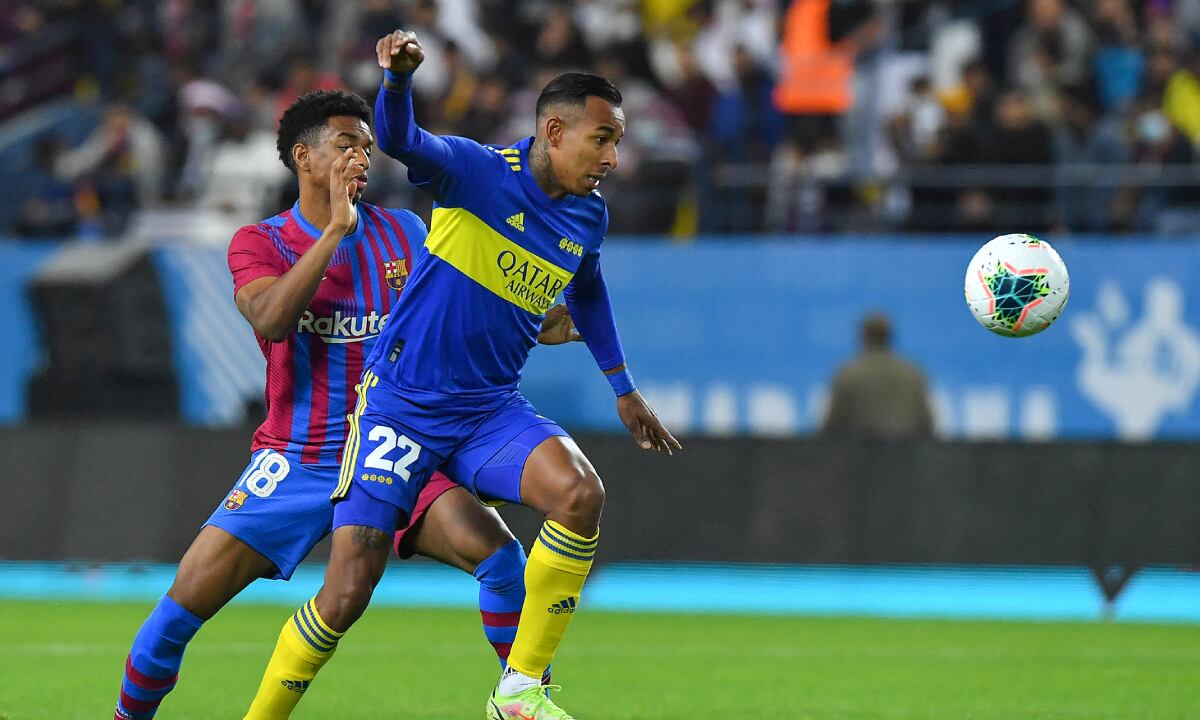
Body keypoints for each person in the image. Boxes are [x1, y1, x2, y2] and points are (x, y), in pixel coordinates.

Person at [243, 30, 681, 720]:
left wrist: (622, 387)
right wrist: (396, 81)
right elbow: (403, 139)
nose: (613, 158)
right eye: (602, 139)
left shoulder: (587, 215)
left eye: (617, 141)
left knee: (578, 494)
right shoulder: (478, 171)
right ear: (555, 130)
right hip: (399, 407)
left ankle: (521, 691)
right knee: (347, 591)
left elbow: (588, 292)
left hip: (487, 410)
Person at [113, 88, 580, 720]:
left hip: (396, 445)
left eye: (367, 142)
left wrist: (537, 319)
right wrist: (335, 229)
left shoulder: (406, 231)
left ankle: (523, 700)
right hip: (299, 458)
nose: (363, 153)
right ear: (303, 158)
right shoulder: (259, 242)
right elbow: (274, 321)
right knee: (177, 614)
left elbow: (458, 308)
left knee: (501, 561)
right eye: (346, 143)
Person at [821, 312, 935, 438]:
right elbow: (926, 423)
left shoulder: (848, 374)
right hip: (905, 453)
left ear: (863, 337)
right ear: (889, 337)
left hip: (860, 452)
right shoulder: (912, 373)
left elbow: (833, 424)